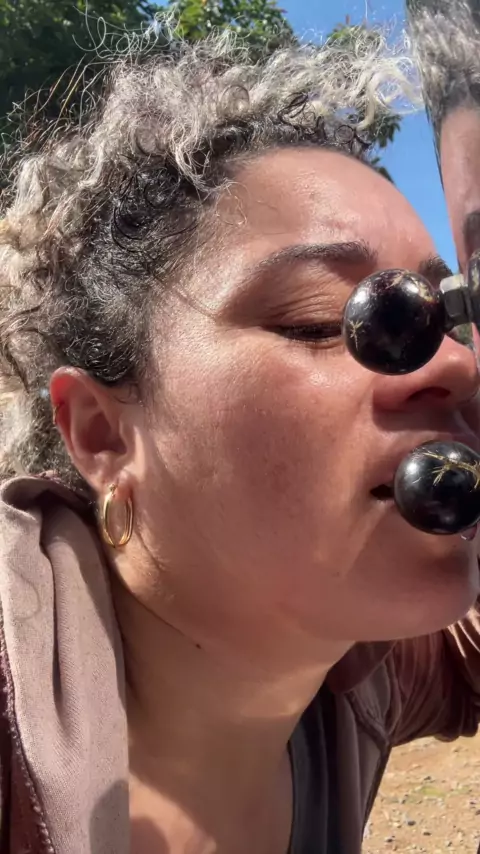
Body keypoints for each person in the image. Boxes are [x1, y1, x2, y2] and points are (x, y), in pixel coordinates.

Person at [0, 24, 480, 854]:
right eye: (324, 320)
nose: (457, 367)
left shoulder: (361, 667)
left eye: (449, 318)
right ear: (102, 434)